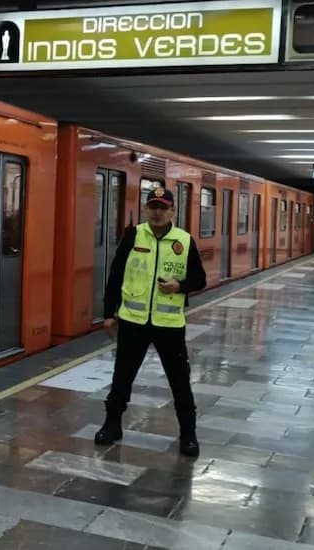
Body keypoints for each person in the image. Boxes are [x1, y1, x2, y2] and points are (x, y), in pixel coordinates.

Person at [94, 186, 207, 457]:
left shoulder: (185, 241)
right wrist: (108, 314)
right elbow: (116, 276)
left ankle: (188, 434)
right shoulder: (133, 236)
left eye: (163, 208)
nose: (157, 212)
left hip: (169, 324)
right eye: (153, 207)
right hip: (133, 322)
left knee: (179, 381)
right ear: (146, 209)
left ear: (172, 211)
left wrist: (179, 286)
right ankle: (111, 425)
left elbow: (200, 279)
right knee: (122, 377)